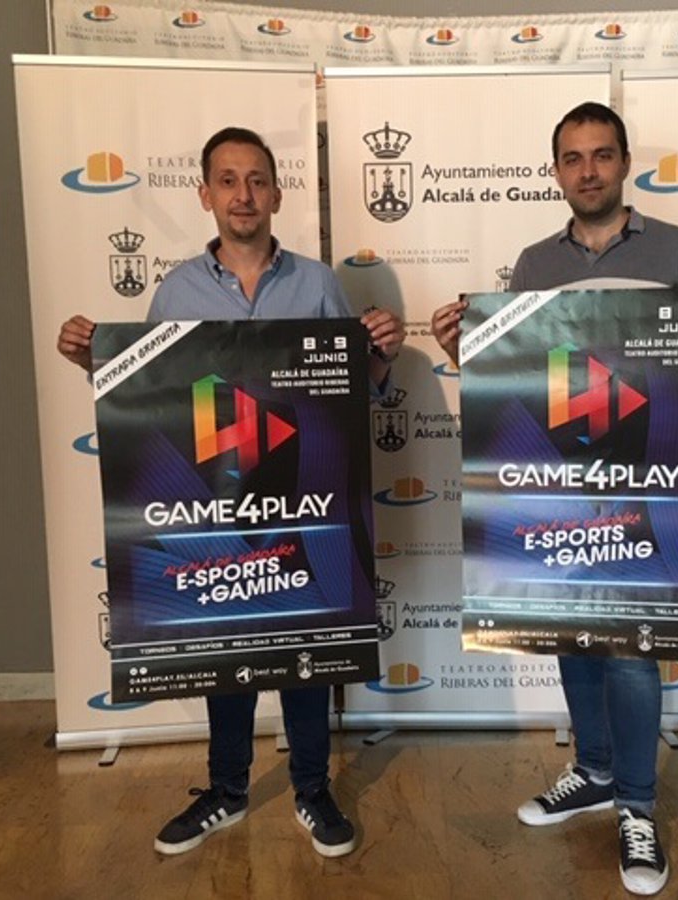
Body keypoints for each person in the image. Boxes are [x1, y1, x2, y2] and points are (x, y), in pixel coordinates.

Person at [431, 102, 678, 896]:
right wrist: (464, 354)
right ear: (556, 170)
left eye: (602, 154)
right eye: (573, 158)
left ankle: (638, 805)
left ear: (624, 164)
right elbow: (520, 378)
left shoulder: (675, 250)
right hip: (559, 484)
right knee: (571, 633)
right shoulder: (532, 263)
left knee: (632, 647)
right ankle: (593, 772)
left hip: (647, 485)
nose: (588, 170)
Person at [58, 126, 404, 860]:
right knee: (225, 649)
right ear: (205, 195)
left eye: (256, 180)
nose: (243, 194)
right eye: (228, 180)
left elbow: (354, 395)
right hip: (214, 504)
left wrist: (380, 360)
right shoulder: (176, 290)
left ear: (276, 193)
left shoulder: (317, 283)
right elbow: (150, 400)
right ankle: (227, 790)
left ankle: (312, 789)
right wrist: (94, 362)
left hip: (302, 501)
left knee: (304, 649)